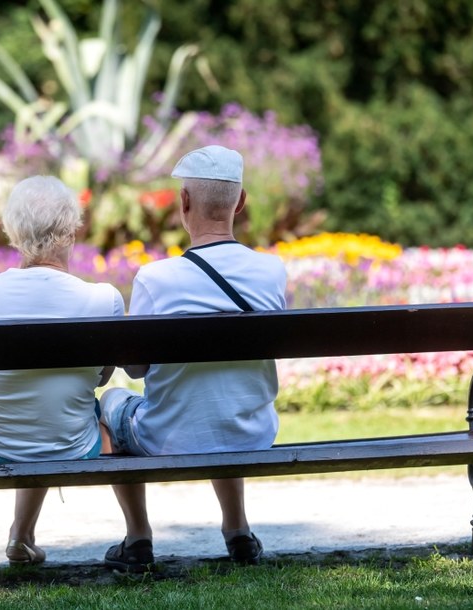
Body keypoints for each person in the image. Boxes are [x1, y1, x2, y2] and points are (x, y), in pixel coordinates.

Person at [99, 145, 288, 572]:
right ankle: (238, 531)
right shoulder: (272, 271)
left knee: (112, 405)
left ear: (183, 203)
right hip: (251, 432)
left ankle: (138, 537)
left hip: (168, 438)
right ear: (240, 203)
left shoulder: (156, 278)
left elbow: (135, 369)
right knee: (224, 399)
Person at [0, 175, 125, 565]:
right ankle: (137, 533)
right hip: (70, 442)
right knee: (65, 408)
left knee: (20, 396)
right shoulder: (103, 300)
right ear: (71, 230)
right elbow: (103, 378)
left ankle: (22, 534)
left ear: (12, 231)